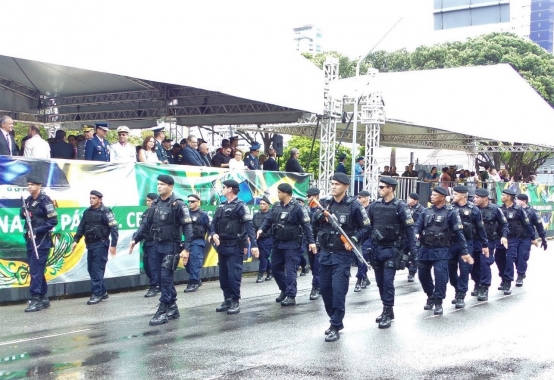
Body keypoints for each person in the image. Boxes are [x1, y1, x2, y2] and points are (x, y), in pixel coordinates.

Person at [311, 173, 370, 341]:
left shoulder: (354, 206)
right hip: (325, 254)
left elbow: (366, 228)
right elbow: (313, 223)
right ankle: (334, 319)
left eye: (337, 184)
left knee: (338, 290)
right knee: (325, 289)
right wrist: (319, 216)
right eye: (332, 183)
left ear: (346, 186)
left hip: (342, 255)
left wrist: (353, 240)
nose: (333, 186)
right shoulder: (324, 203)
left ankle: (335, 324)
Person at [130, 175, 193, 325]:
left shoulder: (178, 204)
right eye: (158, 184)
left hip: (171, 246)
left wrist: (186, 249)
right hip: (156, 245)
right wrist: (135, 239)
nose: (159, 187)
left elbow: (188, 227)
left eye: (162, 184)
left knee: (165, 277)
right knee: (158, 277)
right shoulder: (155, 203)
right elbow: (146, 224)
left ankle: (163, 308)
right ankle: (173, 306)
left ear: (170, 187)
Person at [414, 186, 473, 316]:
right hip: (425, 249)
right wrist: (416, 234)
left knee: (441, 276)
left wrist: (465, 251)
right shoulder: (425, 211)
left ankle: (439, 301)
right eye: (432, 194)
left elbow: (458, 232)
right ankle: (431, 295)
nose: (432, 196)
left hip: (441, 250)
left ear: (442, 197)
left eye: (435, 195)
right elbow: (417, 227)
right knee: (422, 275)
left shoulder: (451, 212)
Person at [368, 177, 418, 328]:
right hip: (377, 249)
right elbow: (366, 226)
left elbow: (410, 230)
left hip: (392, 249)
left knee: (388, 281)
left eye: (382, 187)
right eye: (379, 187)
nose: (380, 189)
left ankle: (387, 310)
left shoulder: (400, 207)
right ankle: (387, 310)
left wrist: (413, 252)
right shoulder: (374, 206)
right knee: (380, 283)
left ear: (390, 188)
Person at [257, 183, 316, 307]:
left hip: (292, 243)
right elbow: (269, 219)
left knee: (290, 270)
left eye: (279, 192)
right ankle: (284, 289)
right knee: (275, 268)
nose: (277, 194)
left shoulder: (298, 208)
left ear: (285, 193)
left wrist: (311, 242)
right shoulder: (276, 206)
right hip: (278, 242)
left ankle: (291, 295)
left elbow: (306, 225)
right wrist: (262, 229)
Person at [210, 180, 259, 315]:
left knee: (234, 274)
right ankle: (227, 299)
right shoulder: (221, 206)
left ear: (230, 189)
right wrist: (213, 234)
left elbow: (249, 226)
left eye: (224, 187)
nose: (222, 189)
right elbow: (213, 224)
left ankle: (235, 301)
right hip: (222, 246)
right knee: (224, 275)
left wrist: (253, 245)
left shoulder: (241, 206)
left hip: (235, 245)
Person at [71, 190, 119, 305]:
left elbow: (114, 229)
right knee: (91, 269)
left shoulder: (106, 211)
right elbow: (81, 227)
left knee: (97, 269)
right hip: (91, 244)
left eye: (94, 198)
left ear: (100, 199)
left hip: (101, 244)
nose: (91, 200)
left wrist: (113, 245)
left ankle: (97, 294)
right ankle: (102, 291)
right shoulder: (87, 212)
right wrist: (76, 240)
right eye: (90, 198)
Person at [21, 176, 58, 312]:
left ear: (39, 186)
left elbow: (53, 221)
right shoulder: (29, 200)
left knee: (35, 271)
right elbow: (23, 215)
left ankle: (35, 298)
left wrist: (37, 230)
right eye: (28, 185)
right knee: (36, 270)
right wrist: (23, 212)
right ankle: (43, 298)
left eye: (32, 185)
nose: (29, 187)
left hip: (41, 242)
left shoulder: (45, 201)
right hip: (31, 241)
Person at [448, 186, 488, 309]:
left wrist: (485, 244)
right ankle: (457, 288)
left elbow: (480, 228)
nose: (453, 196)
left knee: (465, 270)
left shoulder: (474, 210)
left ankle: (461, 295)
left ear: (463, 196)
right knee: (451, 271)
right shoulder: (450, 208)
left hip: (466, 244)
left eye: (455, 194)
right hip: (451, 243)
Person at [494, 189, 534, 295]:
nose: (501, 197)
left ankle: (507, 282)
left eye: (503, 195)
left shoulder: (518, 210)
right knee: (498, 259)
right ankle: (503, 277)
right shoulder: (498, 209)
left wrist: (532, 237)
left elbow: (526, 224)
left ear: (509, 197)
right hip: (501, 238)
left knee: (509, 260)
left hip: (513, 239)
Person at [471, 188, 508, 301]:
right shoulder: (472, 208)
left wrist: (504, 236)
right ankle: (477, 283)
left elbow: (504, 224)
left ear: (485, 198)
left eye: (477, 197)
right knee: (473, 265)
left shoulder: (495, 209)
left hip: (488, 241)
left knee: (484, 263)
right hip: (473, 240)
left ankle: (484, 287)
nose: (474, 199)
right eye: (474, 197)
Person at [515, 193, 547, 287]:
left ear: (524, 201)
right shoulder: (515, 210)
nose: (516, 201)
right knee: (514, 257)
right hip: (514, 237)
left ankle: (520, 275)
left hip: (526, 238)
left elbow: (539, 225)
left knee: (522, 256)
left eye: (518, 200)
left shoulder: (533, 212)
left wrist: (543, 238)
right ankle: (520, 271)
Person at [133, 193, 160, 298]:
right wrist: (135, 240)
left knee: (153, 267)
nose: (148, 203)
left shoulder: (158, 212)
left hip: (155, 242)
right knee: (146, 266)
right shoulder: (146, 213)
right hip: (147, 242)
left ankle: (155, 286)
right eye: (147, 201)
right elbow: (142, 229)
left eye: (150, 200)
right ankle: (156, 283)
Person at [184, 194, 210, 293]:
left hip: (198, 240)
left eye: (192, 201)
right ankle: (196, 278)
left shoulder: (203, 214)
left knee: (195, 261)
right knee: (187, 263)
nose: (190, 203)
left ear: (198, 202)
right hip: (187, 241)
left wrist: (212, 234)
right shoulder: (185, 214)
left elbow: (209, 227)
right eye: (189, 201)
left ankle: (193, 282)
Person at [354, 190, 372, 292]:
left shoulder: (372, 209)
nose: (358, 199)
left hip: (368, 237)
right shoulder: (356, 208)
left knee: (362, 256)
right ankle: (364, 277)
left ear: (366, 198)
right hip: (358, 236)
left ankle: (359, 279)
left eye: (360, 197)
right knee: (357, 258)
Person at [306, 187, 322, 300]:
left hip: (319, 242)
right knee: (313, 266)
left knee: (317, 266)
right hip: (309, 242)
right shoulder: (307, 210)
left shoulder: (322, 209)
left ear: (316, 196)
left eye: (309, 196)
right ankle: (319, 285)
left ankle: (315, 287)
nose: (307, 198)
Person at [253, 196, 273, 283]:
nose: (261, 205)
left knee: (264, 255)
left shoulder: (272, 215)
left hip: (268, 238)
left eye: (263, 204)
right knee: (262, 257)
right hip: (258, 239)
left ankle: (260, 274)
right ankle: (269, 272)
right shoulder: (256, 215)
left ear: (268, 205)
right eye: (260, 204)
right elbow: (253, 227)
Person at [405, 192, 424, 282]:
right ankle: (408, 266)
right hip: (404, 235)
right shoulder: (404, 207)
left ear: (415, 200)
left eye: (410, 198)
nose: (408, 200)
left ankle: (412, 272)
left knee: (414, 254)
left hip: (414, 236)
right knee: (402, 253)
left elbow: (420, 223)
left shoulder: (421, 209)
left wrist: (417, 233)